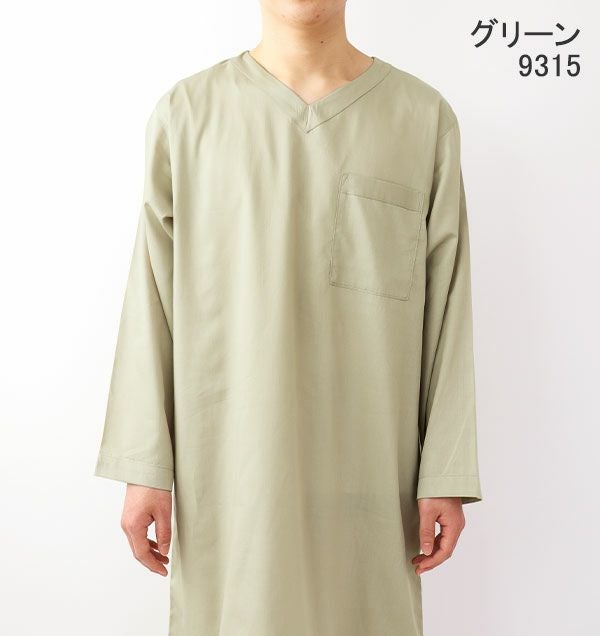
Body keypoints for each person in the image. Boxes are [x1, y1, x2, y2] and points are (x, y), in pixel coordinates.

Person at [94, 1, 483, 634]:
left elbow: (448, 306)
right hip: (228, 474)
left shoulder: (420, 117)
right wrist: (144, 468)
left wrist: (445, 470)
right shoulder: (188, 114)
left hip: (371, 478)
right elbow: (152, 298)